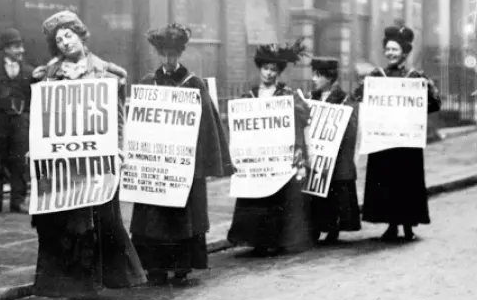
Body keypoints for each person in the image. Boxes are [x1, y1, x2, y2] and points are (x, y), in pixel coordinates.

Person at [30, 10, 146, 300]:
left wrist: (120, 148)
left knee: (99, 222)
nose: (65, 42)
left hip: (98, 162)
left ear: (81, 35)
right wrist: (36, 146)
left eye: (69, 35)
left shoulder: (108, 74)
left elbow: (118, 119)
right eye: (59, 40)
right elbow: (41, 119)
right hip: (62, 164)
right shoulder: (48, 75)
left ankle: (95, 286)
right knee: (65, 224)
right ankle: (71, 289)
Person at [129, 23, 233, 286]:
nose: (168, 60)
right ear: (158, 55)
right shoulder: (147, 83)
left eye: (173, 54)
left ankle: (181, 266)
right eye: (164, 54)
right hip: (155, 163)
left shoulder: (194, 84)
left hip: (183, 165)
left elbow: (208, 127)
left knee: (181, 218)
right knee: (154, 218)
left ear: (180, 54)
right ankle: (155, 267)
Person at [227, 39, 316, 256]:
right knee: (256, 198)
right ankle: (256, 239)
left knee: (277, 197)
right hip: (257, 156)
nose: (268, 73)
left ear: (279, 72)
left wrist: (293, 106)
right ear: (260, 69)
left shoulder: (287, 95)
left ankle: (277, 239)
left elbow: (304, 117)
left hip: (279, 156)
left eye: (273, 70)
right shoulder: (249, 96)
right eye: (266, 68)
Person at [353, 25, 441, 241]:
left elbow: (434, 104)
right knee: (386, 181)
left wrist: (422, 97)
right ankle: (392, 224)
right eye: (388, 49)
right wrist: (365, 90)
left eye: (395, 49)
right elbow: (358, 97)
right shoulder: (376, 76)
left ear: (404, 52)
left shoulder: (416, 77)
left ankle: (409, 224)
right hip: (383, 140)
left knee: (407, 181)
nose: (390, 53)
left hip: (407, 141)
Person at [307, 56, 361, 243]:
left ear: (329, 78)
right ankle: (314, 227)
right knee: (314, 192)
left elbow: (350, 127)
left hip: (335, 156)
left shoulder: (344, 99)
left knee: (333, 193)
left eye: (318, 76)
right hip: (316, 154)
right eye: (313, 74)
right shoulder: (310, 97)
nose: (314, 79)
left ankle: (332, 228)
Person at [0, 28, 35, 214]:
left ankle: (18, 200)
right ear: (5, 49)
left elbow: (34, 97)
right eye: (16, 47)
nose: (21, 50)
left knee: (20, 161)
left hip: (20, 120)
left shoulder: (29, 72)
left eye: (21, 46)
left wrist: (26, 115)